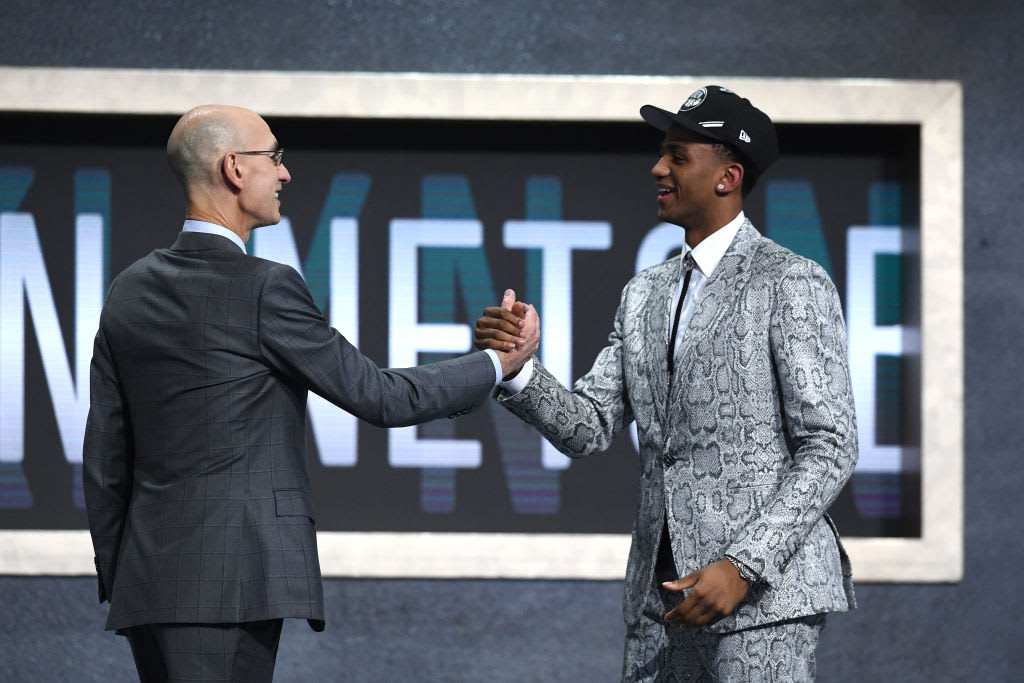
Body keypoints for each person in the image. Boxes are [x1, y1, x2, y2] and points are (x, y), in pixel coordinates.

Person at [83, 104, 538, 682]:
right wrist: (497, 364)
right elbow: (381, 396)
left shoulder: (129, 288)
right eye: (274, 157)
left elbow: (104, 457)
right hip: (233, 589)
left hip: (148, 586)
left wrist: (123, 575)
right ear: (234, 169)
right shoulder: (263, 287)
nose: (285, 173)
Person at [475, 86, 857, 681]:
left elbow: (831, 444)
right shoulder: (645, 292)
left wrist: (743, 565)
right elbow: (589, 427)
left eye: (678, 156)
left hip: (762, 604)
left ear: (727, 177)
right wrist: (521, 369)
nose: (658, 168)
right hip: (662, 604)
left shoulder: (791, 282)